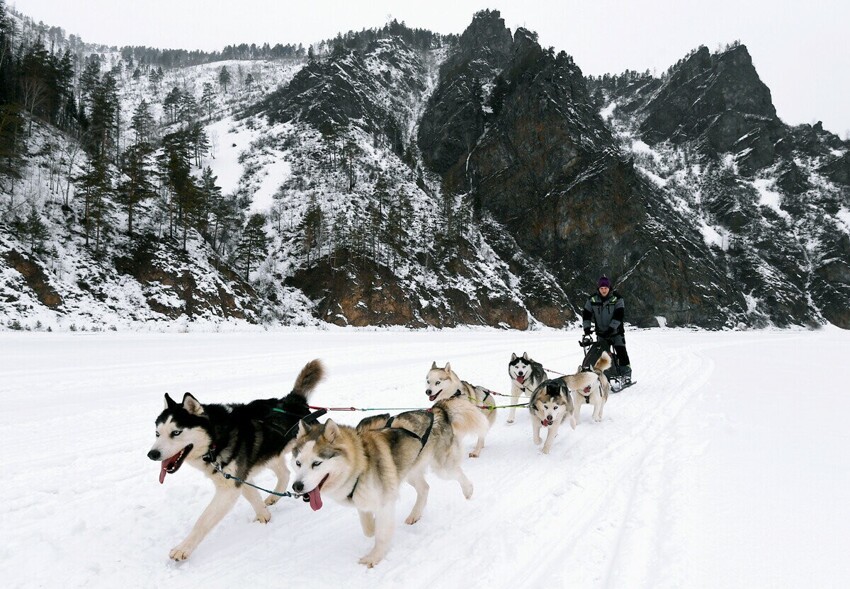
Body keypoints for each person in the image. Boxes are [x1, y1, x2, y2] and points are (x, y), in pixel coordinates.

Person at [582, 275, 632, 382]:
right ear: (598, 289)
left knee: (621, 351)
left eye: (605, 288)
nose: (604, 290)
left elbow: (619, 316)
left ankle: (626, 374)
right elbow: (586, 314)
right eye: (601, 288)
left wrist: (611, 329)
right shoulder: (592, 299)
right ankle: (606, 374)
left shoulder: (617, 298)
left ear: (609, 288)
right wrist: (587, 329)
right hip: (601, 334)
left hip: (616, 332)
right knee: (603, 355)